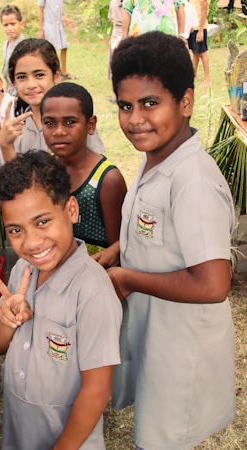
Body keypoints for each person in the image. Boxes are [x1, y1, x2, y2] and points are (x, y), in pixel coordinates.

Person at [96, 31, 236, 449]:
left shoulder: (192, 180)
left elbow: (213, 284)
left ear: (186, 102)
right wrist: (121, 249)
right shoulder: (157, 158)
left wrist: (126, 279)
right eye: (125, 106)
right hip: (158, 333)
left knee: (165, 437)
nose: (135, 118)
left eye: (150, 104)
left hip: (183, 345)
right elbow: (161, 230)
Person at [0, 150, 122, 449]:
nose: (32, 242)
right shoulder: (23, 271)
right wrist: (8, 320)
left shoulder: (92, 291)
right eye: (16, 230)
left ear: (71, 210)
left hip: (68, 440)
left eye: (43, 221)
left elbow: (97, 390)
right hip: (20, 428)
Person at [40, 82, 127, 254]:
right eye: (49, 123)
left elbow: (119, 249)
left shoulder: (107, 180)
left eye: (70, 122)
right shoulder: (43, 172)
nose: (58, 131)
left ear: (90, 125)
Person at [0, 38, 106, 162]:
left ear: (56, 76)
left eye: (39, 75)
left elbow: (95, 164)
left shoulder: (73, 116)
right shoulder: (18, 126)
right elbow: (16, 176)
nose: (31, 84)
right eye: (22, 77)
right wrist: (5, 145)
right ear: (14, 82)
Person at [38, 0, 75, 80]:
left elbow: (60, 7)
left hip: (59, 25)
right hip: (49, 26)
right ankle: (53, 73)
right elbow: (40, 10)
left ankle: (64, 72)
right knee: (51, 51)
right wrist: (41, 29)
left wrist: (64, 16)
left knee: (64, 47)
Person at [0, 4, 24, 95]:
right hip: (10, 89)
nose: (9, 28)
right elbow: (7, 69)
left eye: (13, 24)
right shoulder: (6, 44)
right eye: (6, 25)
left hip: (20, 91)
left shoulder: (22, 46)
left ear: (20, 24)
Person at [188, 0, 211, 87]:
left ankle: (207, 79)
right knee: (195, 52)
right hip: (193, 27)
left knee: (202, 52)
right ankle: (194, 75)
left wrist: (201, 31)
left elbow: (204, 11)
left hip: (199, 27)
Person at [107, 0, 123, 103]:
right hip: (116, 31)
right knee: (114, 63)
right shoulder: (114, 2)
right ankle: (114, 93)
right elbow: (111, 19)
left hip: (123, 30)